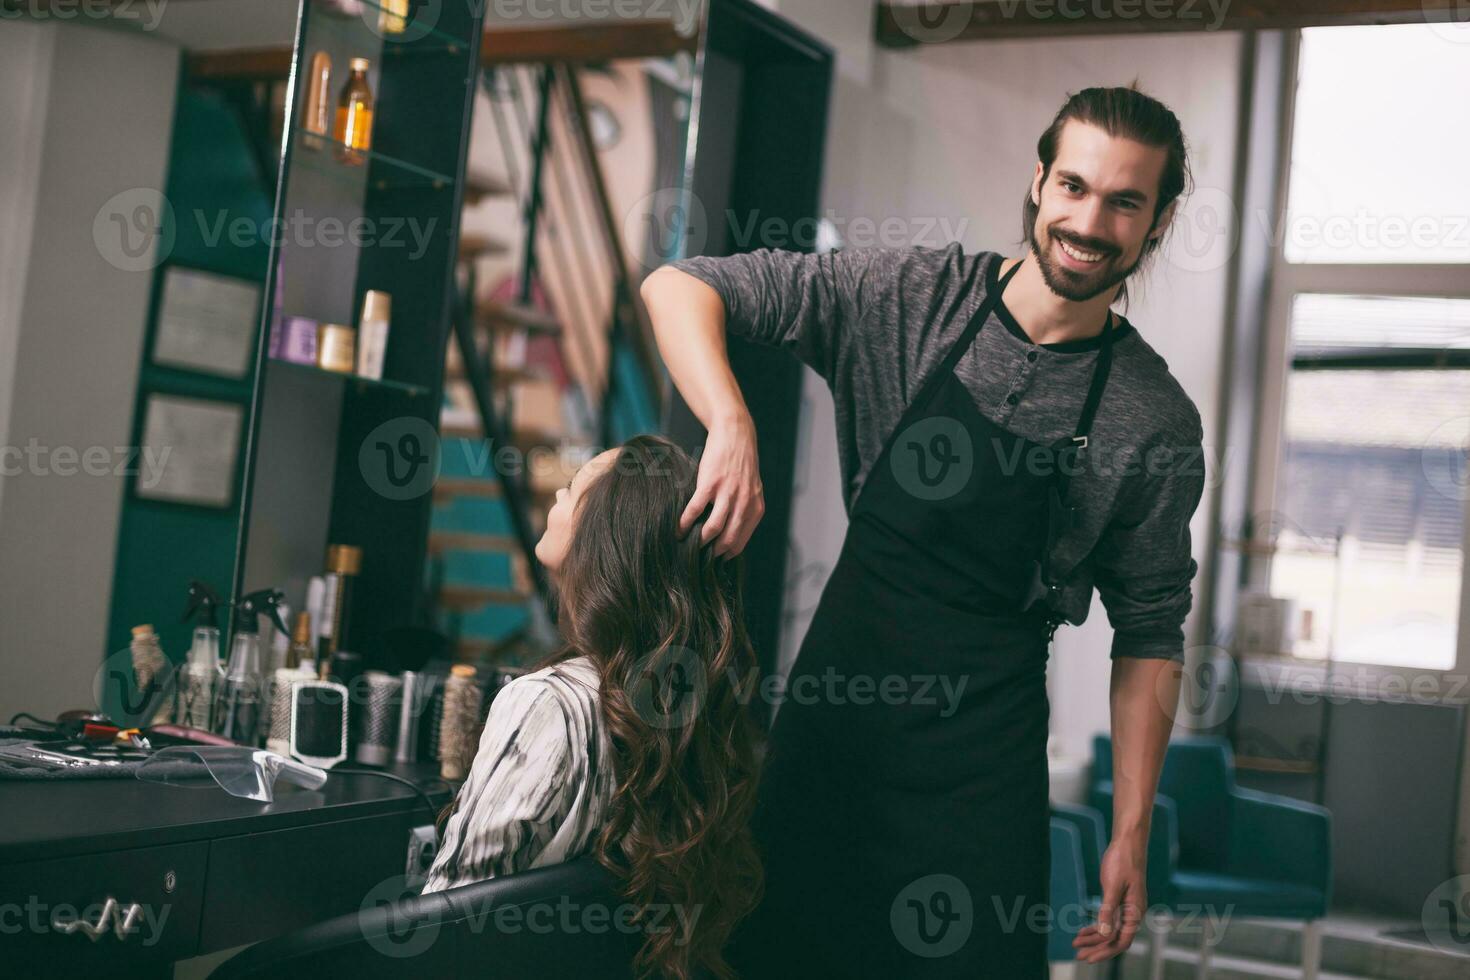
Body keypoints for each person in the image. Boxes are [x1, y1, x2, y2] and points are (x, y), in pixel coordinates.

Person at [639, 84, 1209, 976]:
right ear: (1039, 182)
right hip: (832, 736)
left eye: (1124, 201)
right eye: (1074, 187)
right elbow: (679, 286)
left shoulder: (1152, 419)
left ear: (1159, 221)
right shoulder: (910, 296)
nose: (1089, 222)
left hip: (979, 776)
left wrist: (1130, 829)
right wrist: (730, 421)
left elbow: (1149, 634)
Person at [421, 434, 765, 980]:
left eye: (571, 488)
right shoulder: (681, 718)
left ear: (605, 537)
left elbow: (447, 919)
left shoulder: (545, 704)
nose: (555, 498)